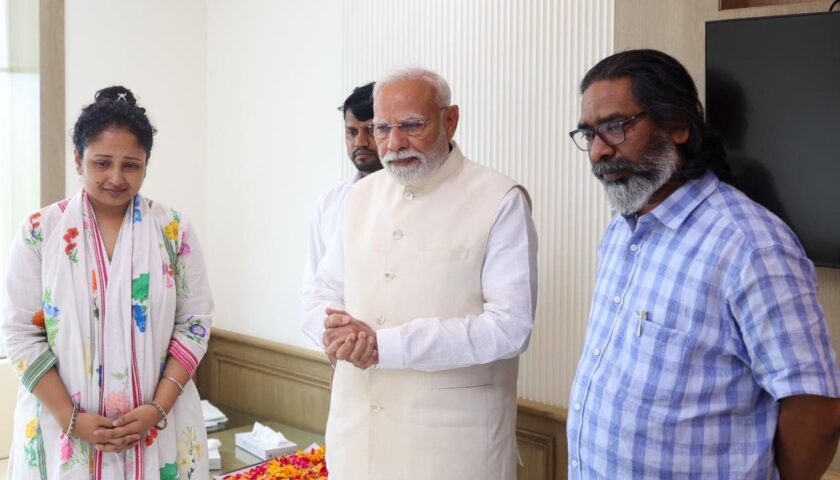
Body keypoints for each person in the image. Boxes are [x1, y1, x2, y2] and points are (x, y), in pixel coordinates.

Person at [565, 49, 840, 479]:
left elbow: (816, 415)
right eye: (588, 133)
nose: (598, 151)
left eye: (616, 127)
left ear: (677, 125)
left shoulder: (750, 246)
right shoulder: (621, 229)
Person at [302, 67, 538, 479]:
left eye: (411, 125)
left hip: (450, 453)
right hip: (357, 442)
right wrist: (335, 331)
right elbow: (320, 291)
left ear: (451, 119)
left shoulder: (499, 198)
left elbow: (509, 327)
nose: (394, 143)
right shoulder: (357, 198)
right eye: (382, 128)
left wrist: (385, 346)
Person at [2, 86, 214, 479]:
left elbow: (195, 324)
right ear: (78, 159)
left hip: (158, 428)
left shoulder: (173, 231)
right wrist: (70, 417)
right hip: (62, 430)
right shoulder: (40, 232)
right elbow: (19, 333)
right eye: (102, 163)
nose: (116, 178)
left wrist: (158, 408)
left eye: (130, 165)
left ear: (146, 164)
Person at [301, 82, 382, 334]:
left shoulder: (413, 197)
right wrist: (333, 336)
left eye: (371, 130)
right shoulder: (329, 203)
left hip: (394, 345)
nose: (361, 142)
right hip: (341, 345)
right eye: (351, 132)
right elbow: (314, 288)